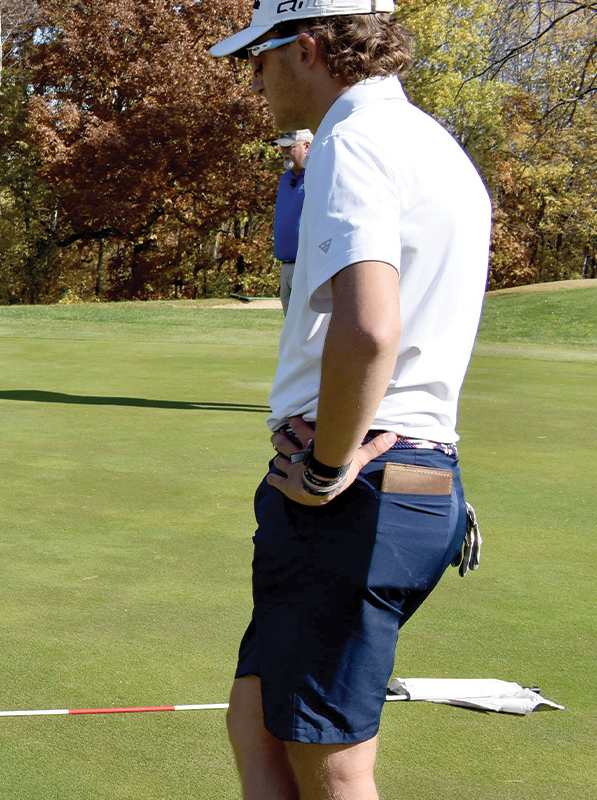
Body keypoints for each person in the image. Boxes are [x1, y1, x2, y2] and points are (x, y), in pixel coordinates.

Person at [209, 2, 491, 798]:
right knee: (258, 721)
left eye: (256, 57)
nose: (252, 77)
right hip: (407, 484)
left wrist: (329, 463)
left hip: (357, 489)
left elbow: (370, 329)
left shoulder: (353, 139)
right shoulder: (431, 143)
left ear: (305, 49)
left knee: (331, 768)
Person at [272, 129, 312, 309]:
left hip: (306, 265)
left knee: (305, 327)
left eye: (289, 147)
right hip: (286, 265)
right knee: (291, 329)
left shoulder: (316, 175)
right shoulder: (285, 178)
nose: (284, 152)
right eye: (282, 148)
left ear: (307, 147)